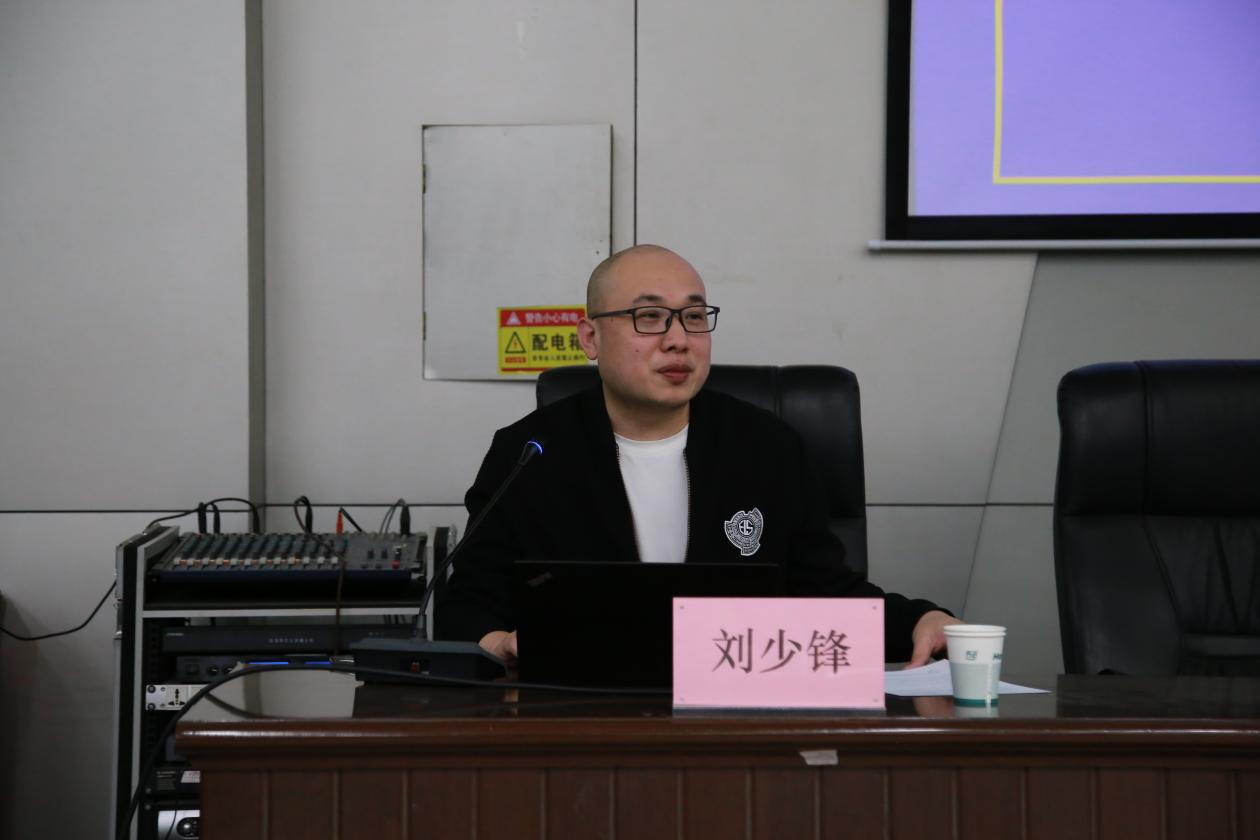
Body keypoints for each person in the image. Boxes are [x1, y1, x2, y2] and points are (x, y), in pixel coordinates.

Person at [441, 244, 959, 667]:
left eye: (693, 317)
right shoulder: (530, 453)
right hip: (578, 713)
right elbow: (467, 605)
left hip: (735, 713)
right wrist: (496, 643)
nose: (678, 340)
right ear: (590, 338)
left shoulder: (766, 447)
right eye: (649, 317)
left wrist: (919, 619)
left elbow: (822, 594)